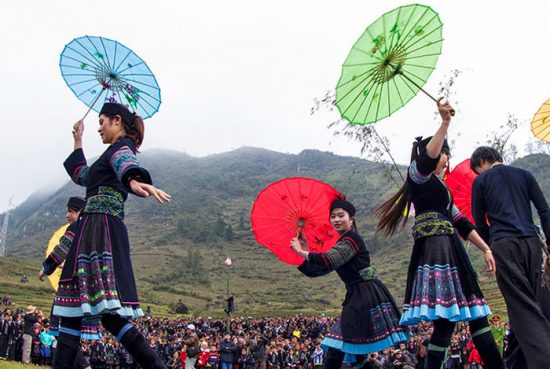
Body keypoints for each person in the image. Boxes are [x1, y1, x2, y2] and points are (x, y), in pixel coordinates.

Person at [375, 99, 503, 369]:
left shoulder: (442, 191)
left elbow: (462, 223)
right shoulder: (418, 175)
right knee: (447, 321)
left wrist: (487, 249)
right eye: (445, 154)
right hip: (436, 251)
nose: (446, 160)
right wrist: (444, 123)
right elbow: (426, 159)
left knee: (470, 319)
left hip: (453, 251)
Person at [51, 103, 171, 369]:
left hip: (99, 231)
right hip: (93, 230)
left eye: (102, 121)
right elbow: (83, 176)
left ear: (117, 121)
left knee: (95, 313)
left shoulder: (120, 149)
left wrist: (134, 180)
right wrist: (78, 140)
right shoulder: (107, 156)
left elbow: (126, 164)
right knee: (83, 312)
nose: (99, 127)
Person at [290, 198, 409, 369]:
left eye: (340, 215)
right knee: (354, 346)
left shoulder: (351, 239)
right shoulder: (344, 242)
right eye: (333, 217)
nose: (336, 220)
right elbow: (318, 269)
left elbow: (329, 260)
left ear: (351, 219)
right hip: (358, 295)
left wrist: (302, 251)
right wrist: (305, 248)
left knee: (337, 346)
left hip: (364, 295)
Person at [470, 145, 550, 369]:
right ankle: (514, 363)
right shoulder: (524, 175)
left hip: (504, 246)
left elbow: (479, 223)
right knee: (527, 303)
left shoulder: (481, 182)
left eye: (478, 169)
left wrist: (489, 250)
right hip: (532, 244)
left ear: (482, 161)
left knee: (523, 307)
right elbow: (544, 210)